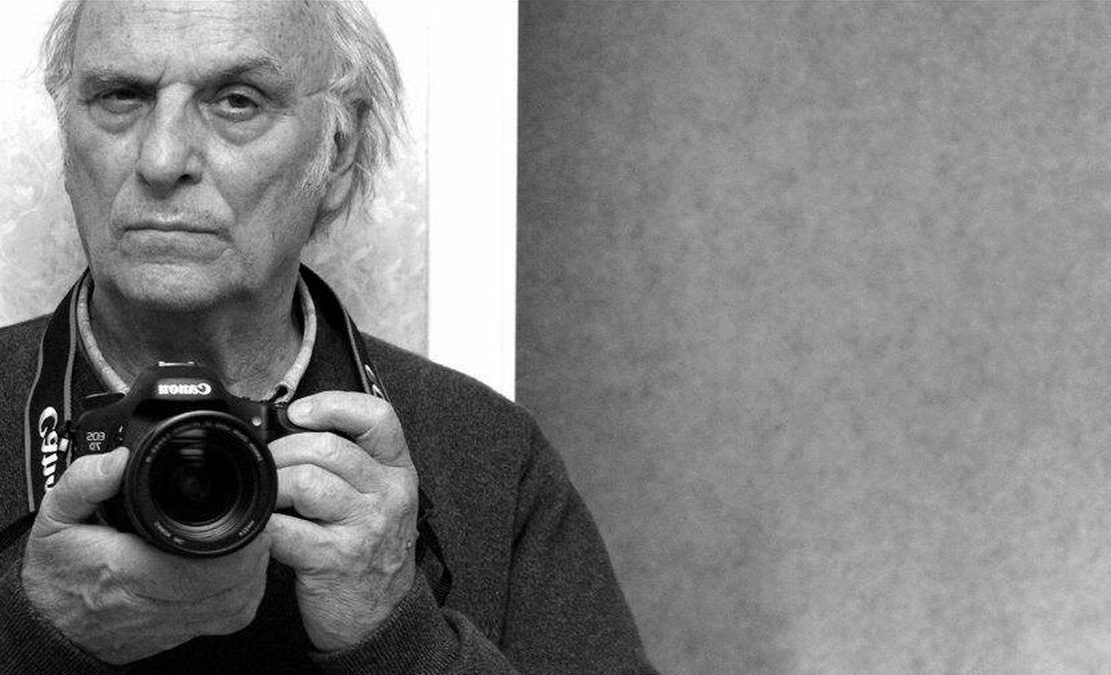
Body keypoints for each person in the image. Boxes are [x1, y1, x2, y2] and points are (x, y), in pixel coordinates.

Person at [0, 1, 658, 673]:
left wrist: (394, 634)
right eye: (120, 96)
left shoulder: (483, 450)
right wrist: (31, 635)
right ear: (67, 135)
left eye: (237, 101)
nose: (162, 158)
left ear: (338, 152)